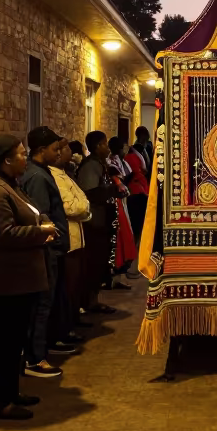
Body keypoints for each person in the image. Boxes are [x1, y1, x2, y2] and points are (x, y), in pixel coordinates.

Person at [0, 134, 58, 419]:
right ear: (6, 160)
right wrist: (42, 232)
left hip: (19, 280)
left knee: (14, 341)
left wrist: (40, 222)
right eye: (21, 154)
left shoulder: (12, 185)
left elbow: (26, 216)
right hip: (5, 281)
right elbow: (4, 234)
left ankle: (11, 392)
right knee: (4, 342)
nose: (26, 157)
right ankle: (0, 402)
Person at [20, 126, 72, 377]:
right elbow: (40, 216)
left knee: (48, 302)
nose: (58, 153)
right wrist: (53, 236)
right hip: (45, 250)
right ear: (41, 150)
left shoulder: (42, 172)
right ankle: (34, 359)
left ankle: (43, 348)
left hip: (51, 249)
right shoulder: (37, 177)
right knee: (41, 304)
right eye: (54, 149)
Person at [51, 139, 91, 344]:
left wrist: (83, 205)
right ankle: (63, 330)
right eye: (62, 149)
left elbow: (81, 201)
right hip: (68, 238)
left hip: (76, 235)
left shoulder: (63, 174)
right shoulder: (54, 177)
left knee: (74, 284)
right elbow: (72, 206)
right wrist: (84, 206)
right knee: (67, 287)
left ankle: (71, 321)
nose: (67, 152)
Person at [77, 130, 120, 312]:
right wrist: (112, 189)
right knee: (93, 262)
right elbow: (91, 192)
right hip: (93, 221)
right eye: (104, 144)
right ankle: (89, 301)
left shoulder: (100, 164)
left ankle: (93, 299)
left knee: (100, 261)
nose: (107, 147)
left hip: (102, 219)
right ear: (96, 146)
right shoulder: (90, 166)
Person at [107, 139, 137, 273]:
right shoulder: (112, 163)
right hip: (116, 202)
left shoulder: (121, 161)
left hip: (122, 201)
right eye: (123, 148)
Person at [124, 138, 150, 244]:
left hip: (136, 189)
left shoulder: (130, 157)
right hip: (136, 189)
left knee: (136, 218)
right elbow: (135, 171)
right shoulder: (132, 157)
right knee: (138, 218)